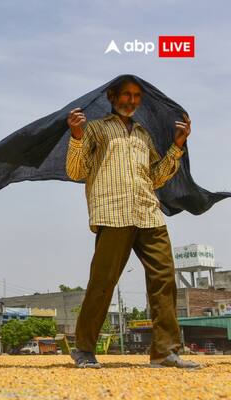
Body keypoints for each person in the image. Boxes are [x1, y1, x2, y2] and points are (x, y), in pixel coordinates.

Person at [65, 76, 200, 369]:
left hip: (148, 212)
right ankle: (84, 350)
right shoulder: (96, 130)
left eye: (137, 96)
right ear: (112, 97)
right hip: (113, 213)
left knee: (164, 279)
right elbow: (76, 171)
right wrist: (76, 136)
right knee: (103, 283)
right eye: (126, 94)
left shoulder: (143, 135)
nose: (131, 100)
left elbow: (156, 177)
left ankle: (165, 353)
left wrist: (177, 147)